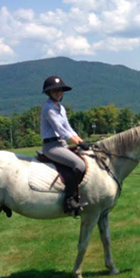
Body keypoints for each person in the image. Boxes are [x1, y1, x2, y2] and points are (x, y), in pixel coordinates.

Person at [40, 75, 90, 214]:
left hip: (61, 145)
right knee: (79, 165)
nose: (58, 93)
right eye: (55, 90)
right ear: (49, 92)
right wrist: (78, 143)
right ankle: (69, 201)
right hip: (52, 146)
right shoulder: (48, 108)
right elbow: (61, 131)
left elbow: (68, 128)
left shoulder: (60, 108)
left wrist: (81, 142)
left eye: (60, 90)